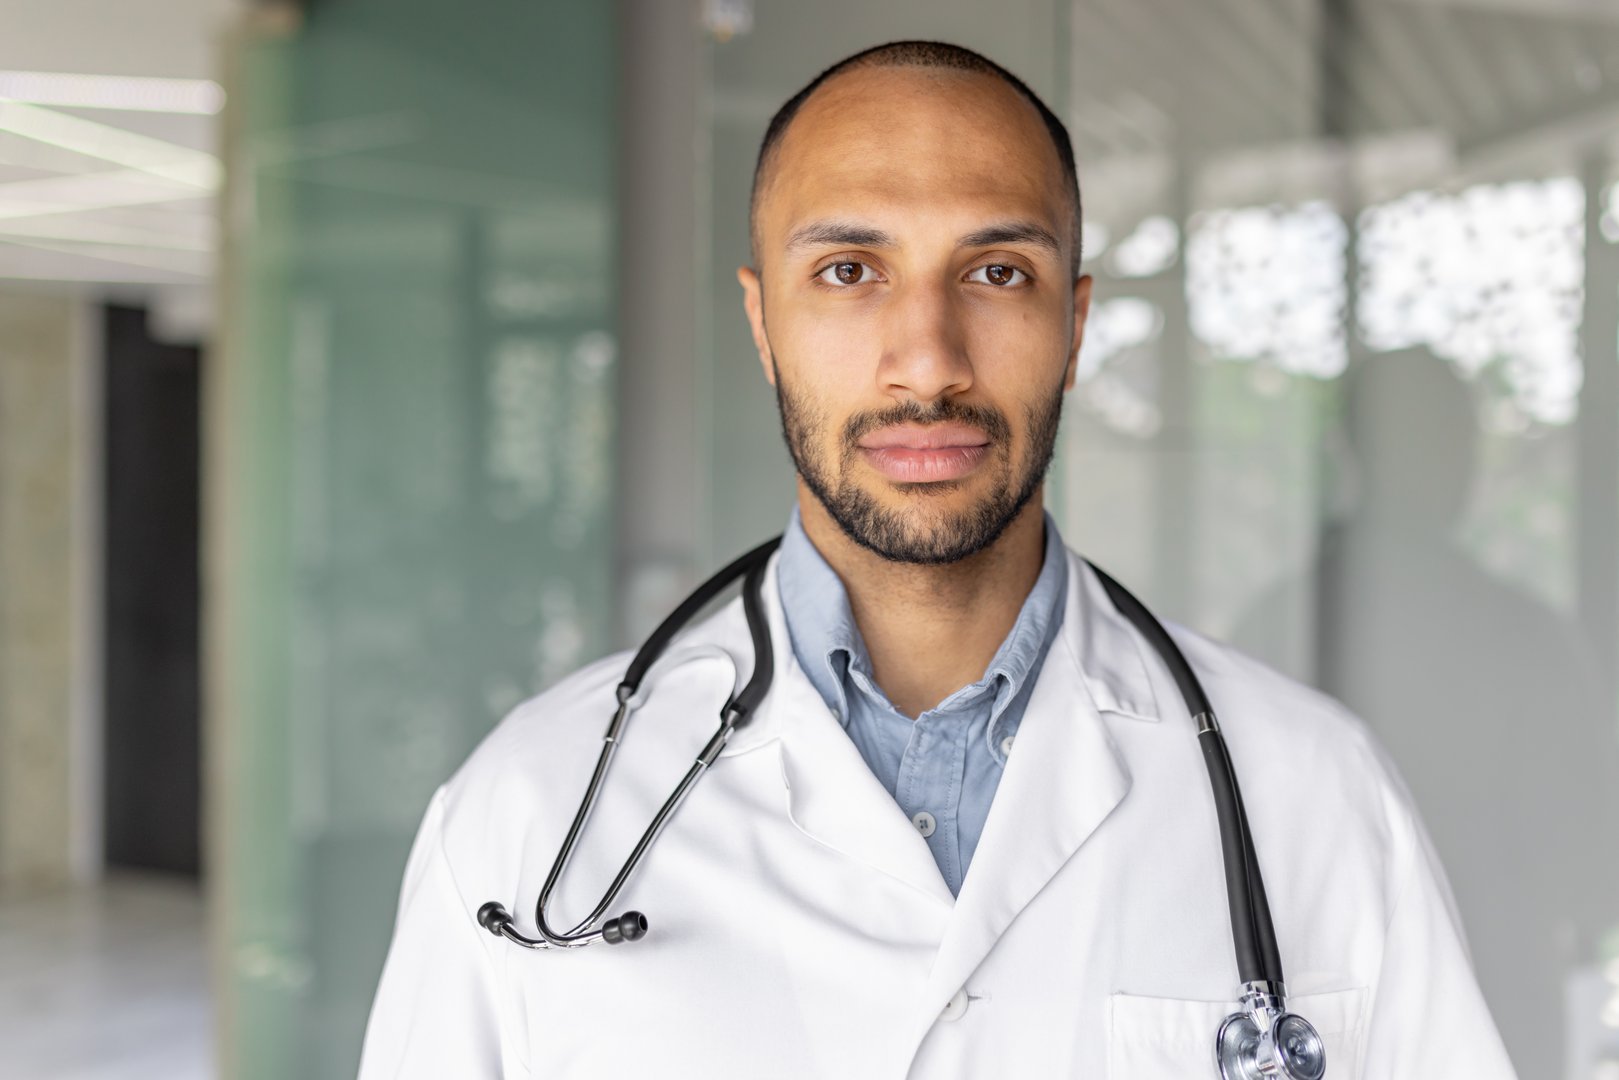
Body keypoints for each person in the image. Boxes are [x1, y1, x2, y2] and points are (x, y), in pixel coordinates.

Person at [357, 41, 1517, 1079]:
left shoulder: (1310, 793)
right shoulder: (529, 813)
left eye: (996, 271)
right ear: (762, 326)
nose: (926, 360)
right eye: (849, 271)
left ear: (1073, 322)